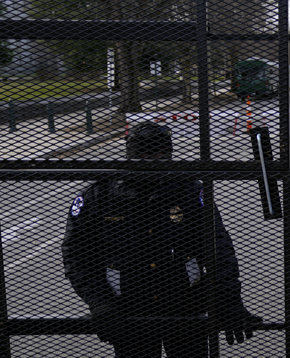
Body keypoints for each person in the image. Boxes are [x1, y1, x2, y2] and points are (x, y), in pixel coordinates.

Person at [62, 122, 262, 358]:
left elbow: (218, 247)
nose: (155, 160)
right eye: (146, 153)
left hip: (185, 307)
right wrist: (100, 302)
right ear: (132, 154)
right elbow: (76, 254)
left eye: (162, 152)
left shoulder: (188, 190)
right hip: (128, 311)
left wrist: (229, 299)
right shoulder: (100, 195)